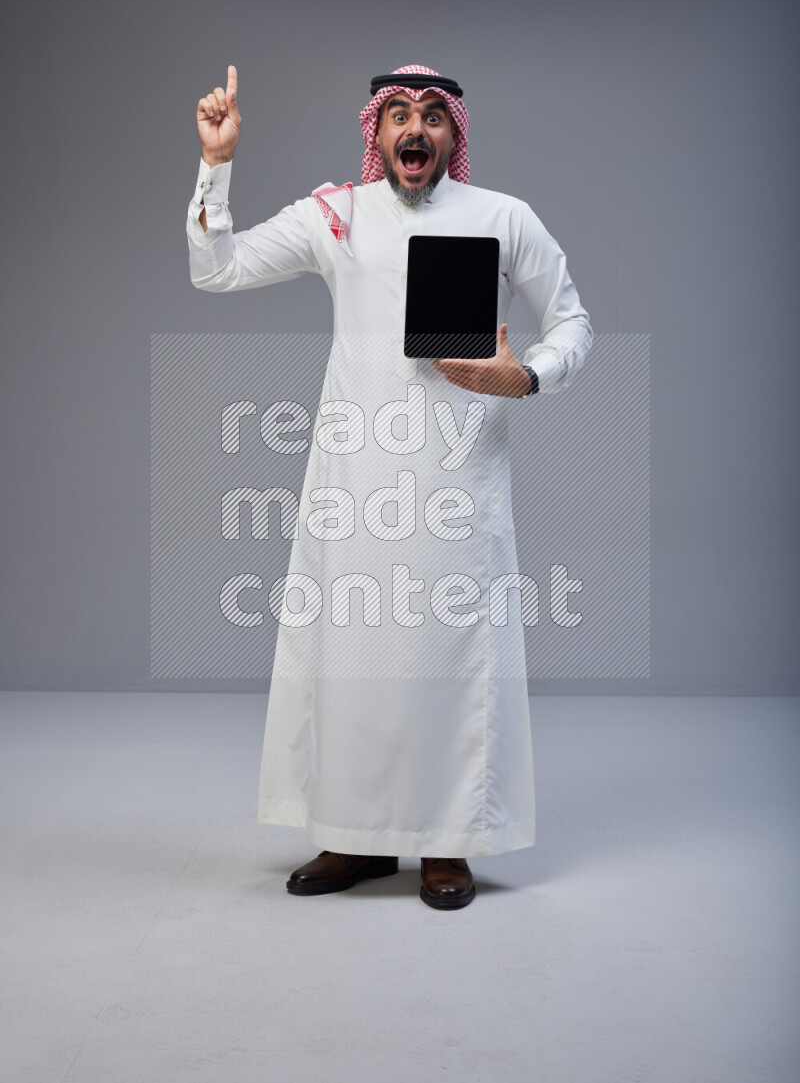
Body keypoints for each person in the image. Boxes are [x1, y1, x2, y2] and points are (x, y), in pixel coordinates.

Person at [187, 64, 592, 910]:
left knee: (447, 656)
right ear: (376, 134)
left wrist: (530, 379)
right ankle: (353, 836)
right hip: (354, 475)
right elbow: (216, 269)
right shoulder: (337, 215)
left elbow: (574, 323)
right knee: (350, 656)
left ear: (454, 136)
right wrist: (216, 164)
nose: (416, 129)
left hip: (456, 476)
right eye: (399, 115)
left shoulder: (502, 217)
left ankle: (445, 843)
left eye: (434, 117)